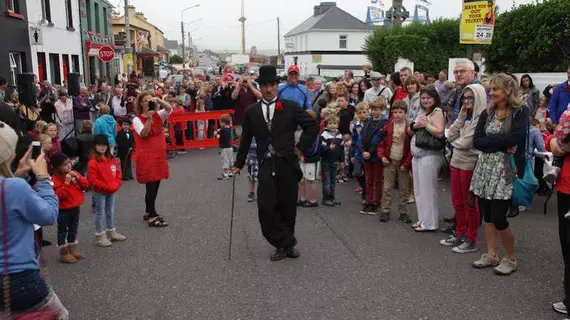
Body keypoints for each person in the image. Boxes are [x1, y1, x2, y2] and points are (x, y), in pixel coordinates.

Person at [232, 65, 318, 261]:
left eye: (271, 85)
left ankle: (284, 246)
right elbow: (245, 139)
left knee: (288, 205)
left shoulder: (290, 106)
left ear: (277, 85)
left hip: (287, 162)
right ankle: (286, 241)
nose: (268, 89)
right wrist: (239, 163)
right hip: (265, 163)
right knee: (266, 206)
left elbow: (312, 126)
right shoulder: (252, 111)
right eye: (264, 85)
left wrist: (299, 148)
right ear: (259, 87)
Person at [0, 123, 69, 319]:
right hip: (18, 275)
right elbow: (48, 215)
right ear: (8, 154)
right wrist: (43, 177)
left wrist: (17, 176)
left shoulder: (11, 185)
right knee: (58, 315)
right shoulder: (13, 188)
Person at [470, 73, 528, 275]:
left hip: (504, 171)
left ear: (508, 90)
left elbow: (516, 138)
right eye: (491, 89)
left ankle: (510, 258)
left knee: (499, 217)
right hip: (485, 168)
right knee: (486, 214)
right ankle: (491, 254)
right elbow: (477, 141)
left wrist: (491, 143)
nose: (491, 92)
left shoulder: (520, 112)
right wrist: (500, 143)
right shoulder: (488, 112)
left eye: (495, 89)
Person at [438, 84, 486, 253]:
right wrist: (460, 120)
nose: (466, 101)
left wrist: (455, 142)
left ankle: (470, 239)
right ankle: (459, 233)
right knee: (457, 201)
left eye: (470, 97)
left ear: (478, 98)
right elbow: (450, 135)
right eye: (464, 98)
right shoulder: (465, 117)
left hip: (469, 163)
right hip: (456, 162)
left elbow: (466, 143)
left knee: (470, 203)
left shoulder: (481, 118)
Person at [408, 87, 446, 232]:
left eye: (428, 98)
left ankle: (430, 223)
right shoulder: (421, 112)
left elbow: (440, 132)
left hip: (429, 155)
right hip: (417, 155)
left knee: (428, 190)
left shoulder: (437, 112)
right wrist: (415, 125)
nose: (425, 100)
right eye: (423, 98)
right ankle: (423, 219)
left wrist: (425, 125)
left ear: (435, 98)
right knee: (418, 189)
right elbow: (410, 131)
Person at [133, 92, 173, 227]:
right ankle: (152, 214)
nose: (148, 102)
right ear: (140, 103)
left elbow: (169, 109)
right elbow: (143, 133)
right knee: (150, 185)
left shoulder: (159, 114)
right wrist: (149, 119)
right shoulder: (136, 119)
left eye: (149, 100)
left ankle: (148, 210)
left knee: (156, 184)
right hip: (147, 156)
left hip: (159, 155)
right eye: (145, 101)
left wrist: (159, 100)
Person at [88, 134, 126, 247]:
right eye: (99, 145)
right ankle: (100, 236)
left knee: (110, 211)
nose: (102, 147)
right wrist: (107, 186)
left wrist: (117, 183)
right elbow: (92, 180)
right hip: (100, 191)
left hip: (111, 190)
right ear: (94, 146)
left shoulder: (111, 158)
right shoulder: (93, 162)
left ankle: (111, 232)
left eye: (104, 145)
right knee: (100, 213)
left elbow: (118, 173)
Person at [378, 100, 412, 223]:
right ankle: (385, 210)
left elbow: (412, 148)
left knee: (404, 189)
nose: (397, 114)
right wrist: (382, 156)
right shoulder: (388, 126)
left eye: (400, 112)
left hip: (403, 162)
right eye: (395, 112)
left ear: (405, 113)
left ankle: (403, 211)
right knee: (387, 187)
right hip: (390, 160)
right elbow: (381, 144)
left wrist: (407, 163)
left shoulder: (409, 127)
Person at [51, 152, 89, 263]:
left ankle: (72, 250)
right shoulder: (54, 180)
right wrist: (66, 183)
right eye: (64, 164)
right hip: (63, 210)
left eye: (69, 163)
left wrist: (78, 177)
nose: (68, 166)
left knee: (73, 228)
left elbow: (85, 185)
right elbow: (58, 196)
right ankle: (63, 253)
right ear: (57, 167)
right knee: (62, 230)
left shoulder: (74, 173)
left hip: (75, 207)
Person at [358, 97, 389, 215]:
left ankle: (377, 201)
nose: (374, 112)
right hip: (366, 155)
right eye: (373, 109)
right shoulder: (368, 121)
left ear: (382, 109)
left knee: (377, 180)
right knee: (368, 179)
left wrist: (370, 152)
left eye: (377, 109)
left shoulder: (384, 123)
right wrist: (362, 151)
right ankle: (369, 200)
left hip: (375, 156)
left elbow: (379, 140)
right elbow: (361, 137)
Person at [320, 116, 344, 206]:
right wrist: (328, 148)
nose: (332, 125)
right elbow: (321, 148)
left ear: (338, 125)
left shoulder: (339, 135)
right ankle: (326, 199)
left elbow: (341, 149)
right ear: (326, 125)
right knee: (327, 181)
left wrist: (342, 161)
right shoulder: (324, 135)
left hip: (335, 161)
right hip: (326, 161)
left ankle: (332, 198)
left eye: (334, 123)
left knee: (333, 181)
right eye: (330, 123)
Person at [232, 73, 262, 137]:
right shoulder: (236, 87)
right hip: (240, 116)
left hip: (252, 116)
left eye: (246, 80)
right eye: (244, 80)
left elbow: (260, 96)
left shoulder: (253, 86)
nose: (245, 82)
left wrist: (250, 86)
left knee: (253, 135)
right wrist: (239, 86)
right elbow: (233, 97)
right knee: (241, 136)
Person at [216, 114, 233, 180]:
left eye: (220, 122)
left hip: (225, 148)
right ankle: (230, 172)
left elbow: (219, 137)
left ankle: (226, 174)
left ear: (223, 122)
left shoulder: (223, 130)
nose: (220, 123)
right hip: (230, 147)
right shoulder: (229, 128)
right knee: (230, 160)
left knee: (225, 160)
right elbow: (222, 129)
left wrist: (216, 134)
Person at [246, 138, 259, 202]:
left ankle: (262, 193)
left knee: (263, 178)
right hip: (251, 157)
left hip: (262, 158)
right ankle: (251, 192)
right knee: (251, 177)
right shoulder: (250, 132)